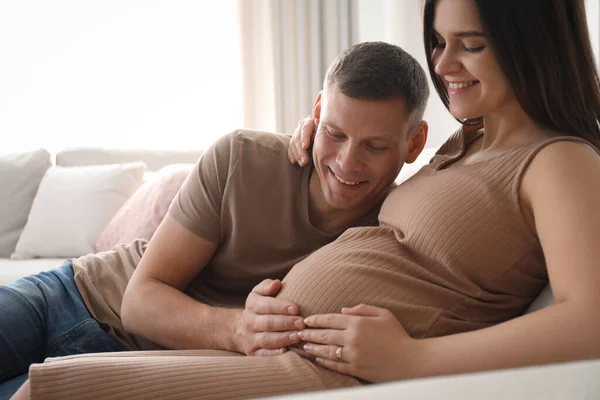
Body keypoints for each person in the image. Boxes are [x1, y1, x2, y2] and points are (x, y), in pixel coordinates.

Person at [13, 0, 600, 398]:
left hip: (308, 365)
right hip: (139, 311)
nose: (444, 64)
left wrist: (414, 363)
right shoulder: (466, 142)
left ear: (533, 44)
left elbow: (591, 319)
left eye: (469, 45)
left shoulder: (560, 161)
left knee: (45, 388)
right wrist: (319, 138)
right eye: (439, 42)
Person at [0, 41, 430, 398]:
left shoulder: (396, 228)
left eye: (374, 147)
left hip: (135, 366)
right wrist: (238, 327)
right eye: (335, 133)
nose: (346, 161)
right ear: (317, 113)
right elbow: (139, 301)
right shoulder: (242, 159)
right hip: (74, 295)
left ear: (415, 142)